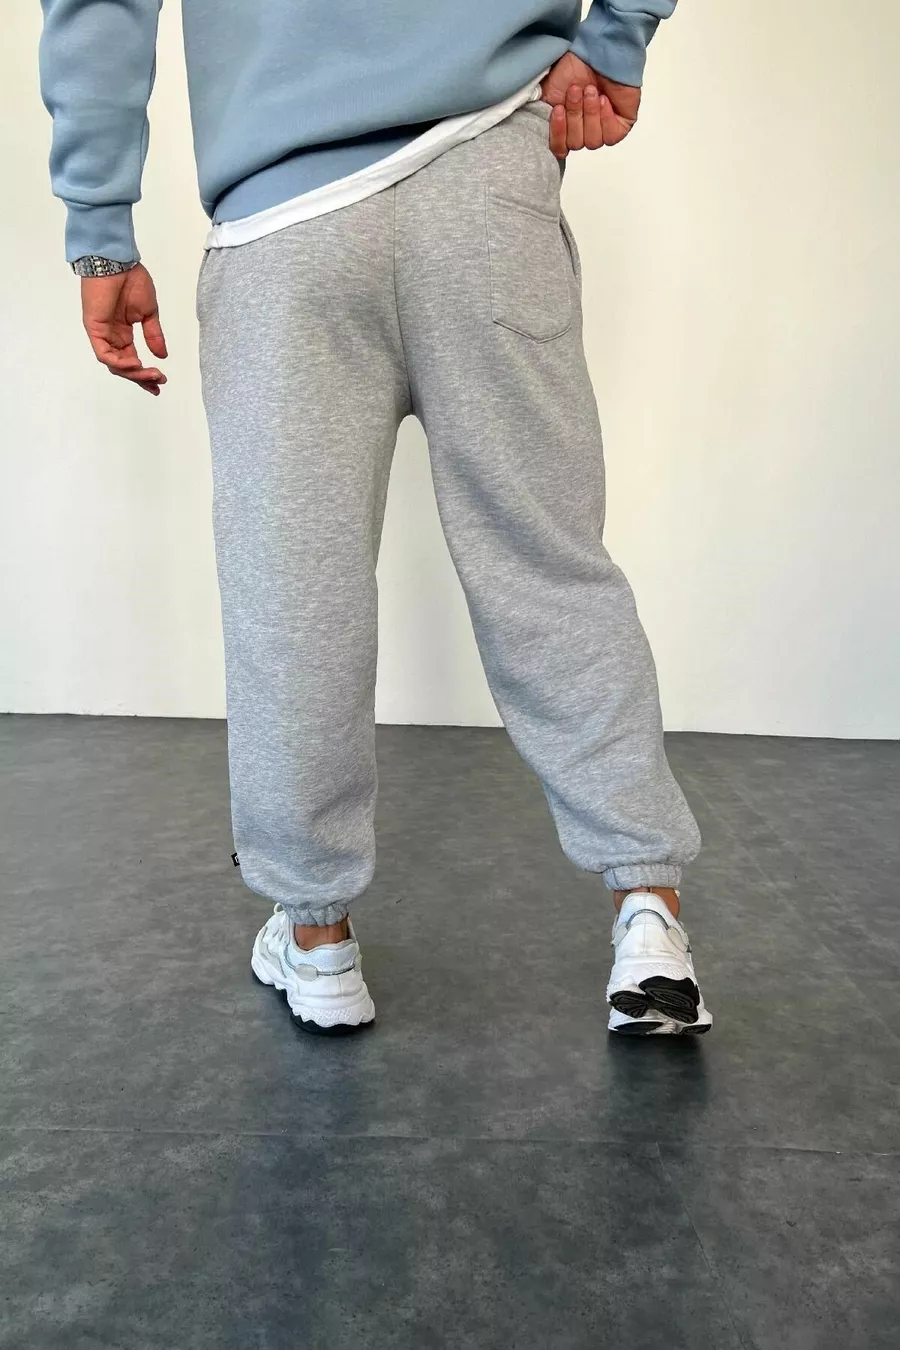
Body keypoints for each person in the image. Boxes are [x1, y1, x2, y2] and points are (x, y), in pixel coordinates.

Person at [38, 0, 712, 1037]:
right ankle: (647, 914)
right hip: (485, 184)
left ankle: (318, 941)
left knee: (291, 590)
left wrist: (99, 235)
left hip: (285, 223)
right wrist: (615, 42)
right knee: (547, 562)